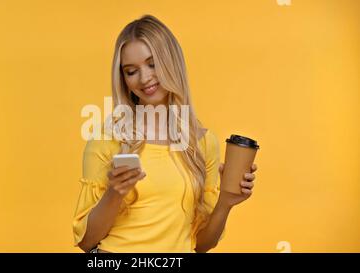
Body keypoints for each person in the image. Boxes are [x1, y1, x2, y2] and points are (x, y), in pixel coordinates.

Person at [73, 14, 257, 253]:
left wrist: (226, 202)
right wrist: (114, 193)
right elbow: (86, 242)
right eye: (131, 71)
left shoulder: (202, 143)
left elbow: (202, 245)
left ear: (172, 62)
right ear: (123, 79)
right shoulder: (107, 140)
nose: (144, 78)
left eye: (152, 64)